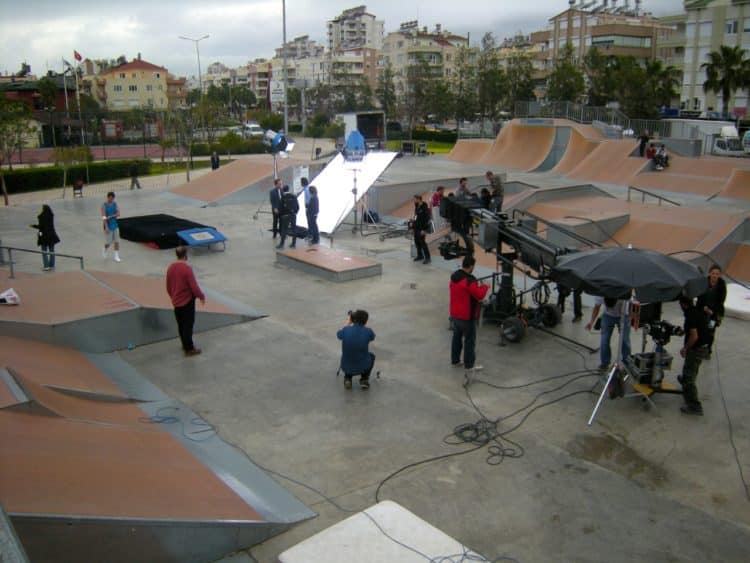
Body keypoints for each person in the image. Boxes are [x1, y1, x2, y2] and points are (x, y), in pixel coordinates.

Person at [450, 256, 489, 371]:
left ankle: (455, 361)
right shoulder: (470, 280)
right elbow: (479, 295)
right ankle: (469, 365)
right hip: (467, 316)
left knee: (456, 338)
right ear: (471, 266)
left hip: (455, 314)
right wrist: (486, 286)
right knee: (469, 341)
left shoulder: (454, 276)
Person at [166, 246, 206, 357]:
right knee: (188, 325)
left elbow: (168, 286)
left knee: (181, 324)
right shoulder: (186, 269)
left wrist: (173, 296)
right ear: (186, 255)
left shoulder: (171, 268)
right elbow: (194, 286)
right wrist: (201, 296)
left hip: (176, 302)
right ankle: (189, 348)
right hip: (187, 301)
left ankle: (184, 344)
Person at [677, 295, 710, 415]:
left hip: (697, 348)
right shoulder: (697, 310)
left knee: (689, 375)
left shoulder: (690, 315)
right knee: (692, 369)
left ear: (683, 304)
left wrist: (685, 348)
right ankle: (686, 383)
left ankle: (694, 405)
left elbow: (694, 336)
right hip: (704, 345)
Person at [586, 296, 631, 371]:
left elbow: (631, 306)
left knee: (625, 340)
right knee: (604, 340)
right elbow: (597, 307)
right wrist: (591, 322)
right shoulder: (600, 294)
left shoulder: (624, 294)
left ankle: (627, 364)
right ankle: (604, 363)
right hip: (607, 316)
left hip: (624, 315)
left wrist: (630, 316)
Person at [337, 309, 375, 390]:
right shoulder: (368, 331)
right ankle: (364, 379)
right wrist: (364, 325)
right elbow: (372, 337)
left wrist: (348, 323)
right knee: (372, 356)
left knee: (349, 355)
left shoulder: (346, 330)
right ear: (366, 321)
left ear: (353, 319)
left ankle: (348, 378)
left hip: (346, 365)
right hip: (363, 365)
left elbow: (338, 335)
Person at [696, 264, 727, 356]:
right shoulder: (704, 282)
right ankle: (698, 346)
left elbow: (721, 300)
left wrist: (713, 311)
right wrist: (704, 307)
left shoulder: (721, 284)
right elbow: (699, 296)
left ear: (720, 275)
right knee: (700, 329)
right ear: (710, 273)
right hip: (702, 310)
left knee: (710, 330)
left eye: (717, 274)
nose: (714, 276)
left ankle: (708, 349)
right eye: (713, 273)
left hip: (714, 313)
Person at [30, 204, 60, 271]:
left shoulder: (41, 217)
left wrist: (33, 226)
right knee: (52, 251)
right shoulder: (51, 216)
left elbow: (41, 228)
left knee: (44, 251)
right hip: (52, 236)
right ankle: (52, 265)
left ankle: (46, 266)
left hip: (44, 236)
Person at [276, 185, 299, 249]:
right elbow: (297, 206)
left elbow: (280, 207)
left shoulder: (283, 197)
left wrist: (281, 214)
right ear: (288, 189)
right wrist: (295, 213)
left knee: (284, 230)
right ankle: (293, 244)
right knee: (294, 229)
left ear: (283, 190)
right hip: (293, 215)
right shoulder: (294, 196)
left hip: (285, 216)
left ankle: (282, 244)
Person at [101, 191, 121, 262]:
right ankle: (104, 249)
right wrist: (106, 227)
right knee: (108, 242)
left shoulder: (115, 204)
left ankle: (116, 256)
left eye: (112, 198)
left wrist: (111, 216)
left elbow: (118, 213)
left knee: (117, 241)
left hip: (115, 225)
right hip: (108, 225)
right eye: (110, 198)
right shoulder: (104, 205)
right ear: (108, 197)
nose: (111, 200)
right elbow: (103, 217)